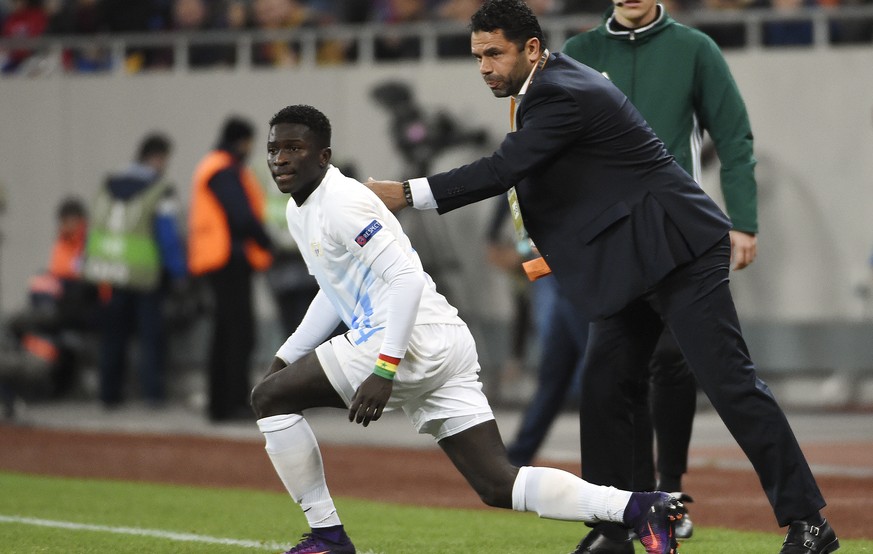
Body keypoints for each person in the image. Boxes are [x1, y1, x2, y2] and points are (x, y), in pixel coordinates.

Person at [365, 1, 839, 553]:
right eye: (477, 57)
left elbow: (502, 171)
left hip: (678, 248)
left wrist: (403, 193)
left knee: (731, 385)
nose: (485, 67)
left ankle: (809, 523)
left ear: (533, 49)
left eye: (494, 53)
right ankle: (616, 528)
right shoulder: (546, 87)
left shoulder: (560, 92)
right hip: (629, 260)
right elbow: (562, 186)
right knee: (605, 387)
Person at [250, 104, 683, 554]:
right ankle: (639, 508)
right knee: (498, 483)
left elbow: (406, 279)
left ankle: (328, 536)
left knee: (269, 400)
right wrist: (284, 358)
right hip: (440, 338)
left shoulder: (342, 203)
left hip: (403, 338)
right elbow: (332, 289)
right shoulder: (304, 209)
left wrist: (384, 367)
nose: (281, 158)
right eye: (274, 149)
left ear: (323, 155)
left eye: (294, 148)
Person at [561, 0, 761, 545]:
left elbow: (733, 135)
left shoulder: (694, 49)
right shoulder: (578, 53)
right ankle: (627, 504)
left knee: (673, 362)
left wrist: (742, 220)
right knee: (614, 370)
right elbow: (542, 151)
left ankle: (668, 488)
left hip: (677, 234)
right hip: (608, 238)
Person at [82, 133, 188, 409]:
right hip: (144, 274)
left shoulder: (108, 184)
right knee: (150, 337)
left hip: (109, 270)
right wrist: (178, 273)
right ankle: (152, 395)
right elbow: (168, 236)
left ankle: (109, 395)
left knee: (112, 335)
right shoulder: (160, 188)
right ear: (157, 157)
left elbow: (94, 224)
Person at [188, 116, 273, 422]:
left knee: (227, 332)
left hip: (219, 261)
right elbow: (240, 216)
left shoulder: (213, 166)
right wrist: (265, 240)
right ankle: (231, 404)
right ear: (242, 141)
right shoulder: (224, 169)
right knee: (238, 334)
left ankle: (221, 405)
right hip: (228, 261)